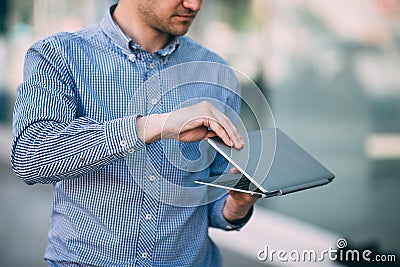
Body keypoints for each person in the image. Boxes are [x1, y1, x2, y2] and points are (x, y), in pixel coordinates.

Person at [11, 0, 258, 266]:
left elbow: (211, 202)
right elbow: (30, 156)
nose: (194, 4)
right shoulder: (58, 55)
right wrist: (154, 126)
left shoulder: (217, 73)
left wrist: (237, 205)